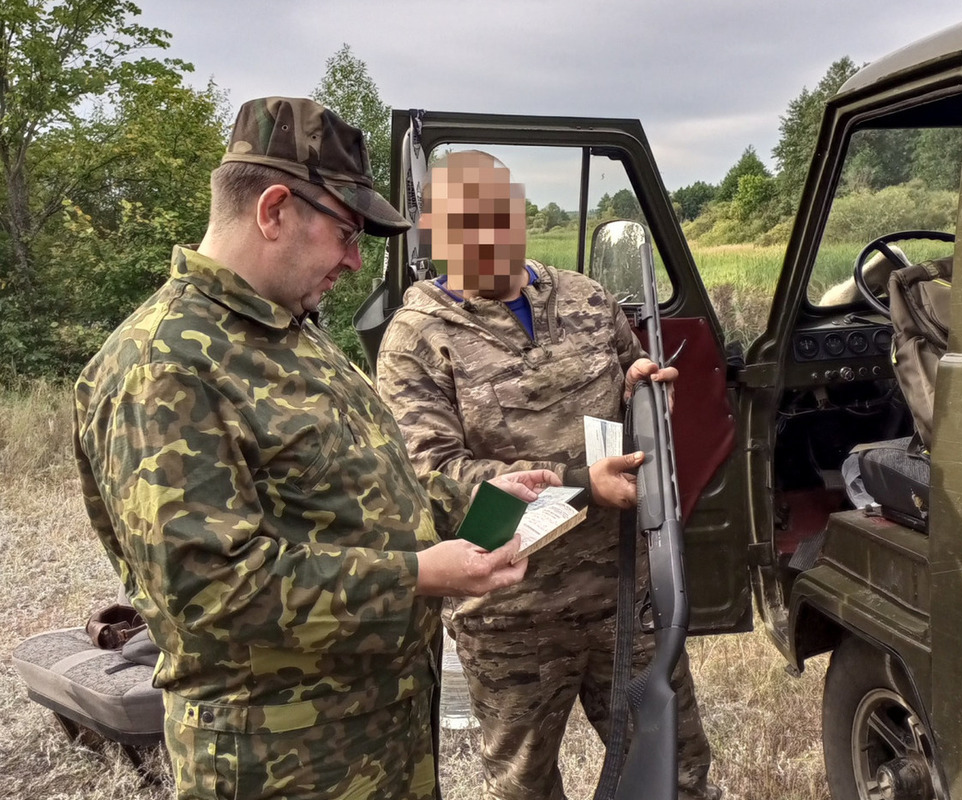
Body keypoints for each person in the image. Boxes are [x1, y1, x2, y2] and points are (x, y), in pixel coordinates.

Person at [73, 99, 556, 800]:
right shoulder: (164, 366)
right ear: (274, 210)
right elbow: (210, 591)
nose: (355, 260)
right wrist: (418, 576)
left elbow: (357, 489)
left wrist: (477, 501)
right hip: (281, 763)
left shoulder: (291, 332)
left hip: (375, 739)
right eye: (345, 233)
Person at [376, 150, 720, 800]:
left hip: (623, 594)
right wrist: (583, 483)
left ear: (521, 211)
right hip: (510, 619)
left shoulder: (587, 299)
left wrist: (643, 393)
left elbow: (627, 380)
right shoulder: (418, 337)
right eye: (467, 229)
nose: (488, 242)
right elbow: (436, 483)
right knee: (525, 790)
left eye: (499, 220)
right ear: (439, 235)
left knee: (678, 776)